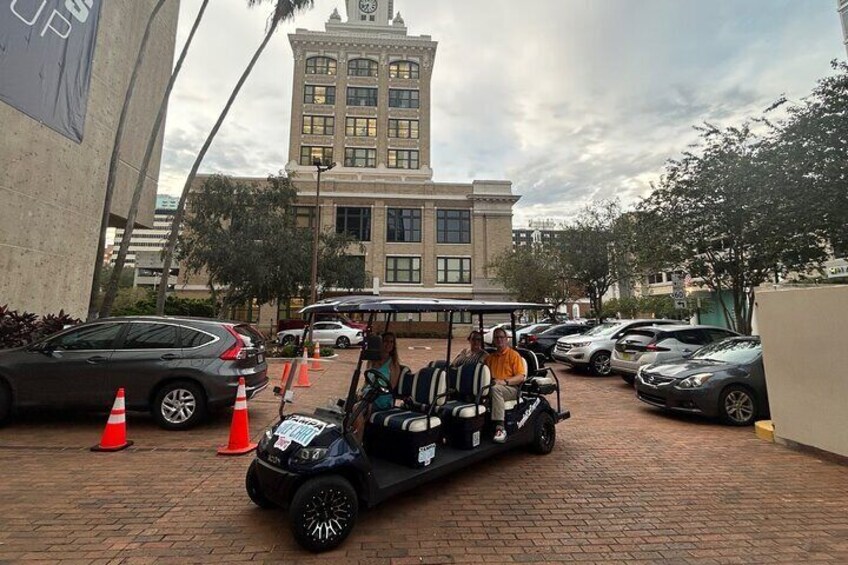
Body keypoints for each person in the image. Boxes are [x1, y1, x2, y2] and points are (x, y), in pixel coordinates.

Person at [352, 332, 403, 441]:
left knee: (357, 409)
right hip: (368, 395)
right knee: (347, 404)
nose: (388, 344)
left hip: (382, 398)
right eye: (385, 341)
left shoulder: (393, 364)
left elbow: (391, 387)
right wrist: (361, 392)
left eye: (391, 342)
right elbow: (367, 381)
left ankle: (358, 443)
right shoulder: (371, 360)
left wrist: (371, 397)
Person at [484, 327, 526, 443]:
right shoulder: (490, 358)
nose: (499, 340)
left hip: (511, 388)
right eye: (496, 337)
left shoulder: (513, 355)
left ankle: (500, 428)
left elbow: (520, 377)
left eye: (501, 337)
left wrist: (504, 382)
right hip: (493, 387)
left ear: (506, 339)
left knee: (495, 389)